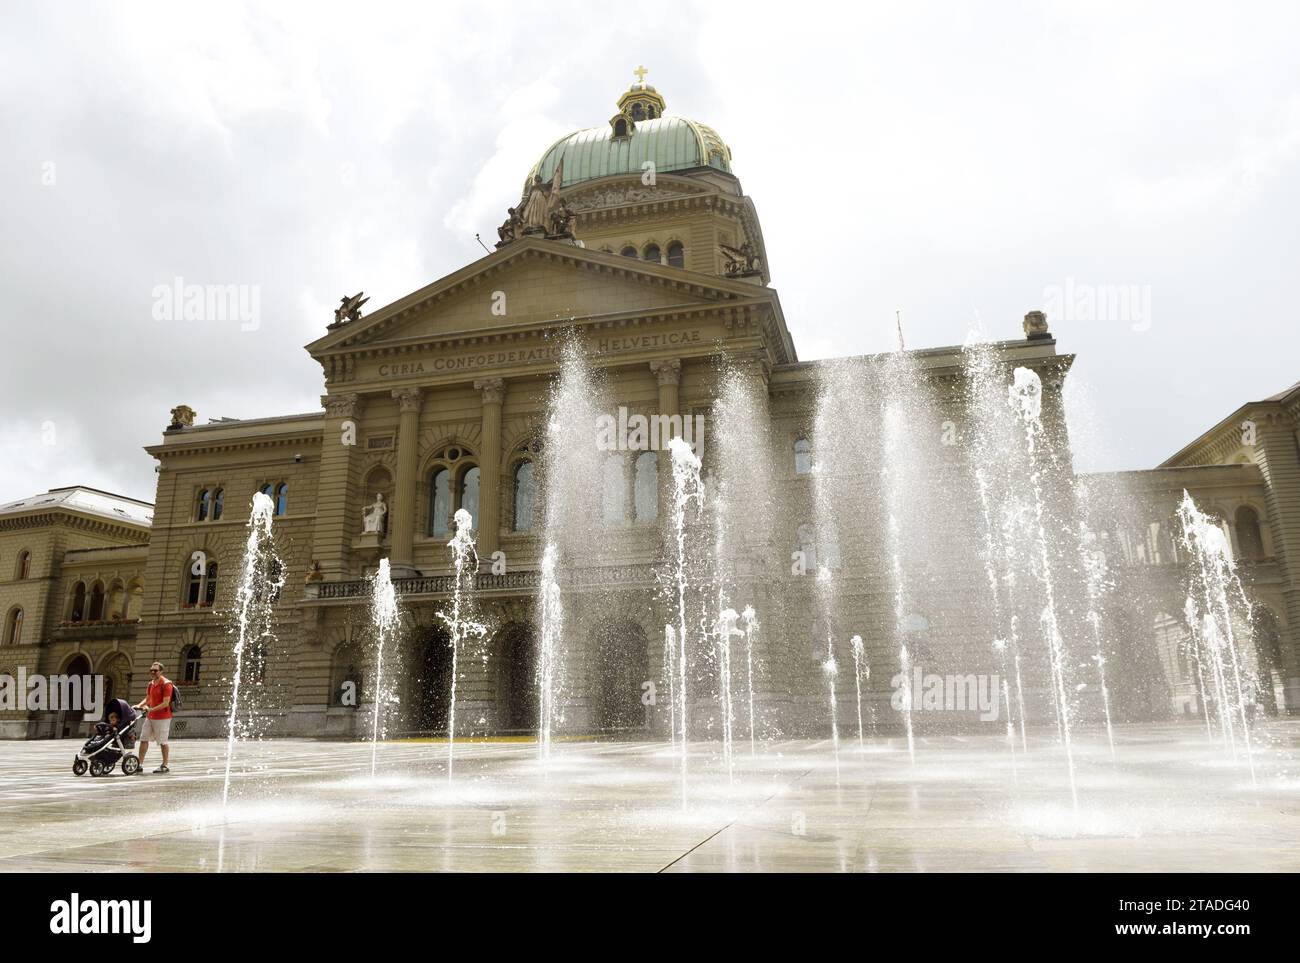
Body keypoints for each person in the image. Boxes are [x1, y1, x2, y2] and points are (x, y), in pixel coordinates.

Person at [133, 661, 174, 774]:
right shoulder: (151, 684)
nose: (152, 672)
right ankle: (140, 764)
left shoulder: (166, 684)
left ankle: (164, 765)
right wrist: (139, 706)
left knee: (163, 742)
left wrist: (151, 709)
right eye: (151, 670)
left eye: (155, 670)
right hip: (150, 716)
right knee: (143, 739)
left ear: (161, 672)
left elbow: (166, 703)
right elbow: (148, 699)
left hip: (163, 717)